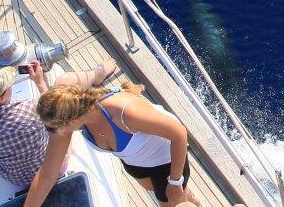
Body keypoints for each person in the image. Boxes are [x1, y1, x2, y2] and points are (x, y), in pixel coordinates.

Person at [28, 82, 198, 207]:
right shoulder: (71, 121)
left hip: (166, 162)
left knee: (174, 201)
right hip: (135, 163)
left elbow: (179, 133)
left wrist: (175, 181)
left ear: (71, 120)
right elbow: (46, 175)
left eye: (52, 127)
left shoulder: (123, 112)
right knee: (175, 195)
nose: (52, 131)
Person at [0, 56, 118, 189]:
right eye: (8, 85)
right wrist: (40, 82)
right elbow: (53, 108)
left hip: (17, 180)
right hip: (55, 168)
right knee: (62, 85)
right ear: (1, 98)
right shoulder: (31, 109)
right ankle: (98, 74)